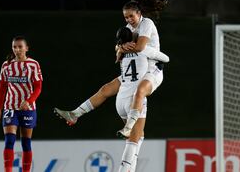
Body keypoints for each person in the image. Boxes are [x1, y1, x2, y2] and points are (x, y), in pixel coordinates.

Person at [54, 0, 167, 137]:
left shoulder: (146, 23)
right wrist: (119, 48)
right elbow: (118, 53)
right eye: (126, 17)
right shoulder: (128, 27)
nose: (128, 20)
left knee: (140, 92)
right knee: (106, 89)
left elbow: (140, 47)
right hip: (136, 69)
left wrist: (122, 49)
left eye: (131, 16)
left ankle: (129, 126)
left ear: (139, 14)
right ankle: (75, 114)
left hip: (152, 69)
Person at [56, 27, 168, 172]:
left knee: (138, 135)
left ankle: (76, 113)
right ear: (134, 38)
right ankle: (124, 169)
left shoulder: (121, 52)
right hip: (135, 101)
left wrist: (120, 48)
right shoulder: (142, 49)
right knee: (133, 141)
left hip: (120, 100)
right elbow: (165, 58)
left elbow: (118, 56)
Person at [0, 35, 43, 172]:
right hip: (10, 107)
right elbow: (2, 87)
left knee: (25, 143)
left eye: (20, 47)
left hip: (28, 108)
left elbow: (38, 87)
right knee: (9, 140)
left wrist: (29, 101)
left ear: (26, 48)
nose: (17, 49)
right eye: (14, 47)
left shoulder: (33, 65)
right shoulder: (7, 65)